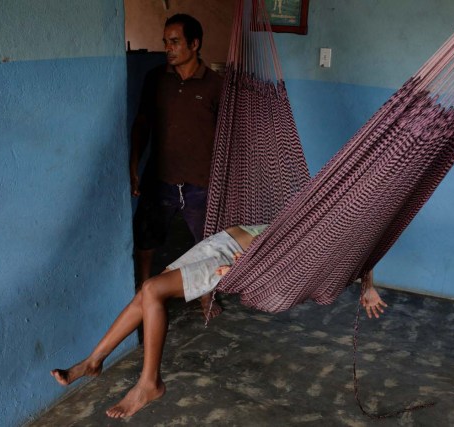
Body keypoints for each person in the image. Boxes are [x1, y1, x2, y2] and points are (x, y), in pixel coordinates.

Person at [51, 224, 388, 418]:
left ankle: (149, 384)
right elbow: (361, 246)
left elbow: (295, 271)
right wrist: (368, 284)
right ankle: (93, 361)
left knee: (153, 289)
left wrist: (247, 271)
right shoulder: (337, 220)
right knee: (146, 293)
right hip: (222, 242)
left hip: (235, 259)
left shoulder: (332, 254)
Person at [130, 13, 223, 319]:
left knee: (207, 246)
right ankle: (142, 296)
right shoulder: (156, 80)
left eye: (175, 42)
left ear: (194, 44)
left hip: (201, 181)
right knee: (145, 243)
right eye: (165, 42)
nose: (168, 48)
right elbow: (142, 124)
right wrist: (134, 163)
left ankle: (206, 298)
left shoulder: (215, 86)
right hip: (161, 178)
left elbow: (227, 136)